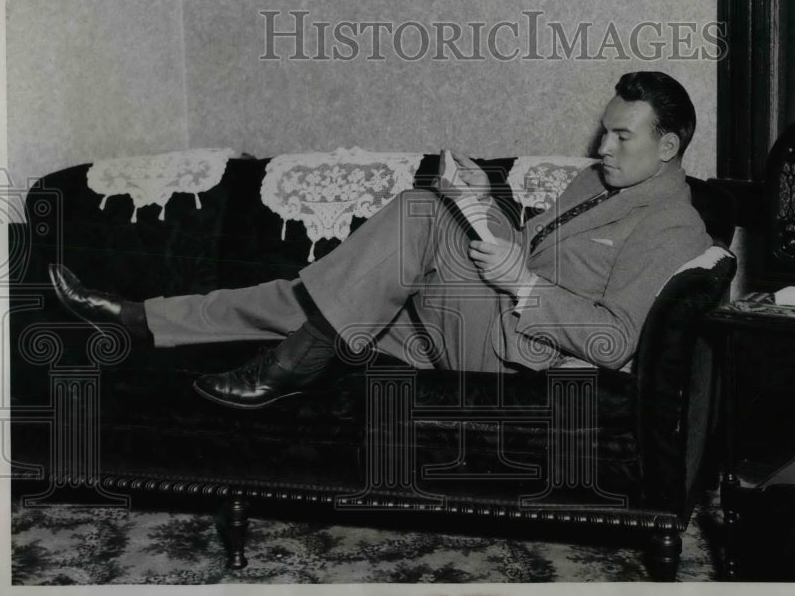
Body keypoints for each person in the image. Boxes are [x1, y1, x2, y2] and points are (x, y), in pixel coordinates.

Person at [49, 71, 712, 409]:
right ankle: (141, 318)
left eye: (623, 135)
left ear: (669, 145)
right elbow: (527, 249)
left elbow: (615, 340)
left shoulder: (671, 225)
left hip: (526, 354)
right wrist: (482, 206)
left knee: (420, 216)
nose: (603, 146)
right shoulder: (599, 182)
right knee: (312, 296)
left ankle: (289, 367)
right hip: (484, 321)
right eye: (605, 130)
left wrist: (523, 284)